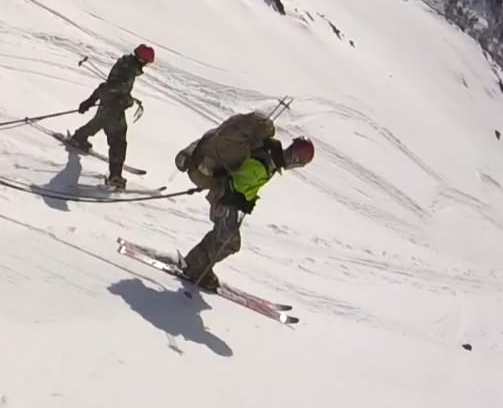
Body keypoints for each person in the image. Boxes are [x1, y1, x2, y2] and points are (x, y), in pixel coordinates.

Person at [174, 111, 315, 290]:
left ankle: (196, 266)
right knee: (228, 240)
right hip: (225, 198)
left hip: (227, 196)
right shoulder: (266, 163)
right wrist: (241, 199)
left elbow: (243, 178)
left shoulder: (269, 155)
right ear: (296, 160)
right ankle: (194, 268)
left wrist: (247, 199)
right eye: (300, 163)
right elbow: (239, 180)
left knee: (226, 238)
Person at [64, 43, 154, 189]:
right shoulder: (128, 69)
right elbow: (109, 88)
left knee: (97, 123)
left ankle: (79, 138)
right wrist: (127, 101)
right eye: (148, 63)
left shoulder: (126, 63)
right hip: (114, 110)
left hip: (107, 106)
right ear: (142, 60)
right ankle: (115, 177)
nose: (147, 66)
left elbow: (112, 87)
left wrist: (91, 101)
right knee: (118, 143)